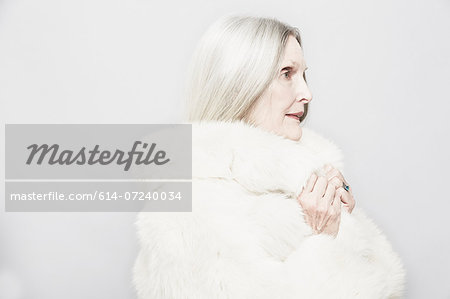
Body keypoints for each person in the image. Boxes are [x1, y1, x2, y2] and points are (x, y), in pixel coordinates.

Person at [133, 15, 406, 298]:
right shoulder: (185, 212)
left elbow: (386, 285)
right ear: (238, 84)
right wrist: (326, 239)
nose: (307, 93)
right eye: (287, 73)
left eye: (303, 74)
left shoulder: (309, 181)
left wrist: (346, 224)